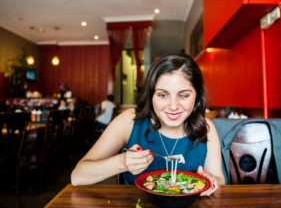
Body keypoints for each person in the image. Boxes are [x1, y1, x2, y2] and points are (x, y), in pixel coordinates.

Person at [71, 54, 225, 196]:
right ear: (151, 95)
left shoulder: (207, 129)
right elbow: (78, 176)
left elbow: (219, 180)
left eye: (183, 95)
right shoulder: (129, 121)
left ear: (197, 96)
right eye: (162, 95)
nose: (173, 106)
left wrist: (212, 181)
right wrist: (122, 162)